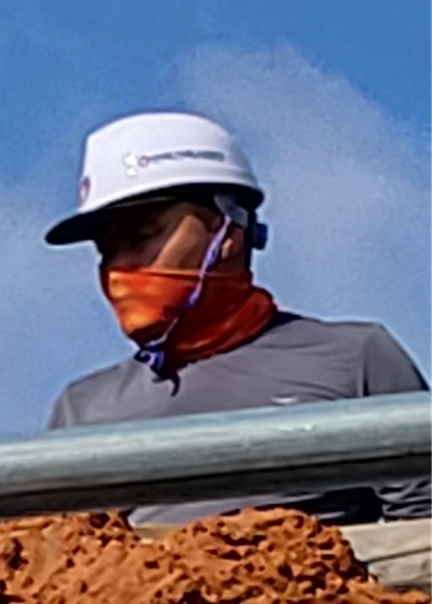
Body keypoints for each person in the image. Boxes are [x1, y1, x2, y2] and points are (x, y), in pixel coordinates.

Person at [40, 107, 432, 544]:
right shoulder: (82, 408)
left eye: (143, 236)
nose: (119, 269)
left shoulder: (356, 358)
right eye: (106, 251)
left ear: (228, 231)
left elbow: (420, 543)